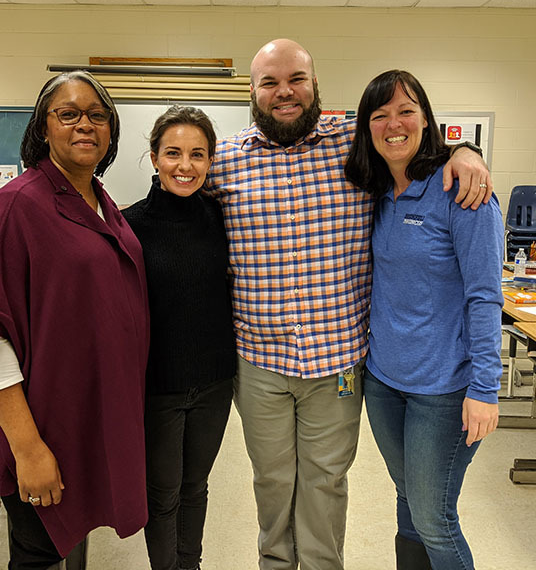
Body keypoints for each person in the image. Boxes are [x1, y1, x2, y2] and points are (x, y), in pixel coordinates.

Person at [204, 39, 492, 570]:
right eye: (269, 81)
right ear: (251, 91)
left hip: (337, 359)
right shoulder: (223, 163)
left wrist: (465, 153)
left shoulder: (352, 148)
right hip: (259, 361)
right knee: (271, 480)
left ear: (316, 86)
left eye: (297, 79)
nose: (284, 91)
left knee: (324, 482)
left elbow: (406, 136)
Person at [0, 71, 150, 569]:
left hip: (85, 416)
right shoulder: (15, 207)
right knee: (39, 554)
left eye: (97, 115)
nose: (85, 125)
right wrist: (29, 450)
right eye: (69, 114)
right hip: (40, 425)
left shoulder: (102, 203)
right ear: (43, 127)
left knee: (72, 543)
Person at [344, 69, 503, 570]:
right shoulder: (376, 195)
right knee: (407, 500)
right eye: (380, 115)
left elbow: (484, 296)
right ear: (367, 128)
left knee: (434, 517)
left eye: (406, 111)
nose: (394, 124)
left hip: (445, 390)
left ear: (426, 119)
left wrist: (485, 388)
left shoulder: (463, 193)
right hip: (385, 382)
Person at [122, 106, 236, 570]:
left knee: (196, 488)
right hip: (158, 387)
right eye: (173, 153)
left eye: (197, 154)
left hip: (214, 382)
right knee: (163, 493)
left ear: (210, 161)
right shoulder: (129, 225)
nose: (185, 166)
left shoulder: (223, 217)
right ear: (153, 157)